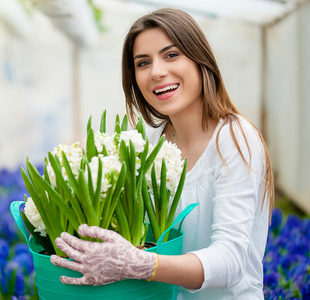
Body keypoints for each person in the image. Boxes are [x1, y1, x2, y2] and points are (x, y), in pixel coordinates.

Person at [50, 8, 274, 299]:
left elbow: (231, 261)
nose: (156, 71)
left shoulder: (234, 137)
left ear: (199, 60)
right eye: (143, 63)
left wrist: (137, 263)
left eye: (171, 55)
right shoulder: (150, 142)